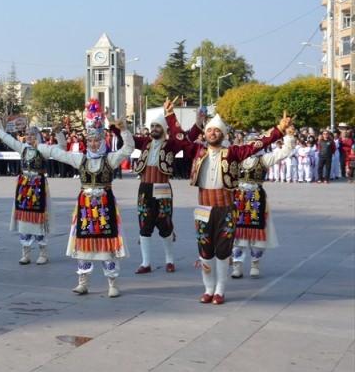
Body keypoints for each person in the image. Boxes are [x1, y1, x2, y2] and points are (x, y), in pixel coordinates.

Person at [186, 111, 290, 305]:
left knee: (223, 251)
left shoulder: (232, 153)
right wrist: (175, 118)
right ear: (205, 133)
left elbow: (257, 144)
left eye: (217, 130)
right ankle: (208, 289)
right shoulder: (197, 151)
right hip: (203, 209)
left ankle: (220, 290)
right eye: (209, 130)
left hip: (226, 209)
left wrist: (279, 130)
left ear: (223, 134)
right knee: (205, 251)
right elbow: (179, 141)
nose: (213, 133)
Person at [38, 101, 134, 297]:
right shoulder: (80, 159)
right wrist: (57, 135)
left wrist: (123, 130)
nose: (93, 144)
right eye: (90, 140)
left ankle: (112, 283)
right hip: (86, 207)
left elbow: (128, 149)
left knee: (108, 243)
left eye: (96, 140)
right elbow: (58, 153)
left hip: (105, 207)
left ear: (103, 141)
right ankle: (83, 282)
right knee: (83, 243)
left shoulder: (110, 159)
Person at [131, 98, 191, 274]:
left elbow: (182, 136)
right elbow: (127, 139)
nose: (154, 129)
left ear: (164, 129)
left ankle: (170, 260)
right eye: (152, 126)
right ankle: (146, 263)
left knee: (165, 224)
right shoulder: (144, 142)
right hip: (144, 189)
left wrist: (171, 115)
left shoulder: (171, 144)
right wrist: (116, 127)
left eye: (158, 126)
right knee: (144, 224)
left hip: (162, 187)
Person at [231, 129, 296, 279]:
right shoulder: (236, 159)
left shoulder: (264, 159)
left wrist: (289, 136)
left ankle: (255, 264)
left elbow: (284, 153)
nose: (251, 146)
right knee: (237, 233)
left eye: (254, 143)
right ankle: (237, 265)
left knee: (258, 232)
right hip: (238, 199)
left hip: (256, 198)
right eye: (249, 143)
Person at [0, 119, 52, 266]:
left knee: (39, 220)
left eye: (32, 134)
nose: (29, 137)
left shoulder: (42, 149)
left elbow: (60, 150)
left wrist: (58, 135)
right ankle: (26, 252)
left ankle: (43, 253)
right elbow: (8, 139)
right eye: (27, 134)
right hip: (24, 187)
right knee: (24, 220)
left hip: (38, 187)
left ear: (37, 136)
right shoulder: (23, 148)